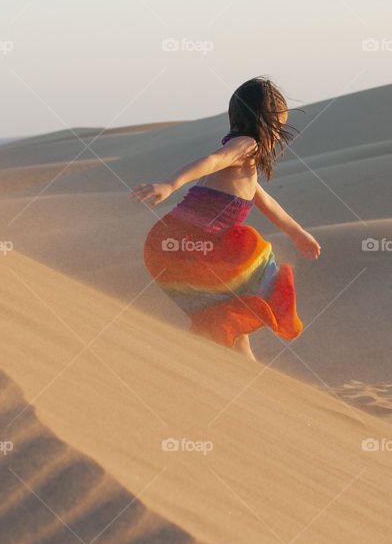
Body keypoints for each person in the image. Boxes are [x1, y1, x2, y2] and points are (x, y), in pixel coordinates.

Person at [130, 77, 320, 361]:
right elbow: (213, 160)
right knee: (252, 262)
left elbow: (265, 201)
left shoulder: (246, 161)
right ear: (264, 121)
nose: (277, 136)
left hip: (177, 244)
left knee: (231, 314)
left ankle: (237, 368)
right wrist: (171, 184)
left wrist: (297, 232)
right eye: (278, 127)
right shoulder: (246, 146)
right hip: (188, 241)